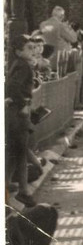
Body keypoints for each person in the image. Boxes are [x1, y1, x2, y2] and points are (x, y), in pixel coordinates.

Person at [5, 30, 38, 207]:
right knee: (17, 153)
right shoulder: (23, 66)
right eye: (29, 48)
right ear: (18, 51)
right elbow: (13, 86)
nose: (33, 51)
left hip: (16, 112)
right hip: (18, 114)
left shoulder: (20, 64)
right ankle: (21, 192)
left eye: (34, 48)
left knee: (17, 154)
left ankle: (18, 192)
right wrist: (23, 104)